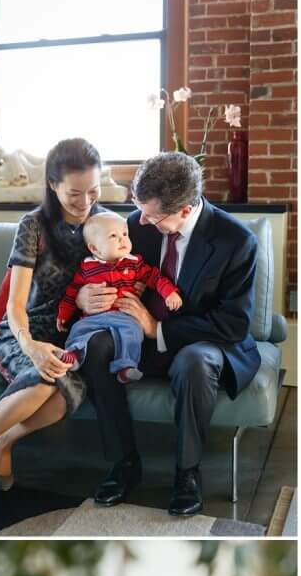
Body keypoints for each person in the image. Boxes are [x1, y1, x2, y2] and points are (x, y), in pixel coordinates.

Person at [74, 152, 262, 517]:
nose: (140, 221)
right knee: (97, 345)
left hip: (206, 342)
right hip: (138, 337)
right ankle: (124, 462)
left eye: (152, 215)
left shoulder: (236, 242)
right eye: (139, 209)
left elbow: (233, 324)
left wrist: (157, 328)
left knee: (194, 361)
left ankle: (187, 473)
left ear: (186, 210)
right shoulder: (137, 225)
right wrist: (84, 294)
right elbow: (100, 268)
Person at [0, 138, 107, 510]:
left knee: (66, 393)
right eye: (74, 194)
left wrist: (85, 299)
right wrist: (31, 346)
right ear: (53, 185)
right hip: (21, 331)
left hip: (70, 338)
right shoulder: (33, 226)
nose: (85, 203)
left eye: (94, 191)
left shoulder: (103, 225)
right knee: (42, 381)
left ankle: (6, 441)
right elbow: (14, 305)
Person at [57, 212, 182, 381]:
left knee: (133, 333)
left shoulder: (134, 263)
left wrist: (169, 292)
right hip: (93, 317)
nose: (122, 239)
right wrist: (64, 314)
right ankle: (74, 354)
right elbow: (72, 292)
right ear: (94, 248)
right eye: (113, 236)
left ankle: (126, 366)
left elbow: (155, 277)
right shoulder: (87, 267)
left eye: (125, 234)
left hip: (124, 316)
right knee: (78, 329)